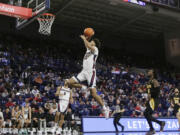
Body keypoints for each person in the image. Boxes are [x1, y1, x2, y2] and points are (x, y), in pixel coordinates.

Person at [65, 29, 109, 118]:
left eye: (92, 41)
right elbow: (87, 45)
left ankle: (105, 108)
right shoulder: (88, 50)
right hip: (83, 72)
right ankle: (83, 87)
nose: (91, 42)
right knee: (68, 82)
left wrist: (84, 39)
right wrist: (86, 39)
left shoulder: (95, 49)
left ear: (94, 44)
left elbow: (88, 45)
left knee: (93, 93)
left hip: (90, 72)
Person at [144, 69, 165, 134]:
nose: (148, 72)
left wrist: (151, 94)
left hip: (155, 99)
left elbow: (158, 91)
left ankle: (155, 127)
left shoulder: (154, 81)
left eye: (149, 71)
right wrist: (147, 100)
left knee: (146, 113)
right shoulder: (148, 82)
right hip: (150, 100)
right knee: (147, 114)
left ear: (153, 73)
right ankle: (155, 127)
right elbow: (149, 92)